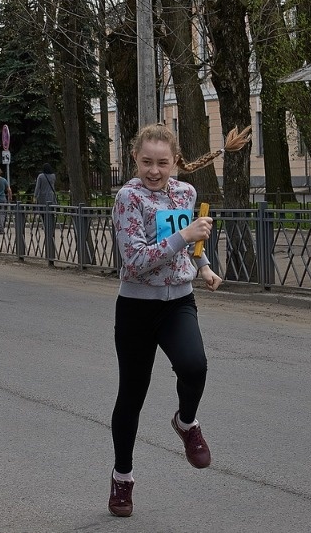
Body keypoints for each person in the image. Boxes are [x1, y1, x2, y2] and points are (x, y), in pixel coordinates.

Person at [107, 123, 250, 517]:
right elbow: (135, 262)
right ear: (135, 158)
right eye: (147, 162)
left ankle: (186, 423)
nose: (154, 170)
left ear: (175, 162)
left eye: (163, 163)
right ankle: (122, 478)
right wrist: (185, 238)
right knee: (131, 396)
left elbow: (191, 242)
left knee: (195, 366)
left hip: (178, 301)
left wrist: (203, 266)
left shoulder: (186, 192)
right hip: (137, 306)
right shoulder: (128, 198)